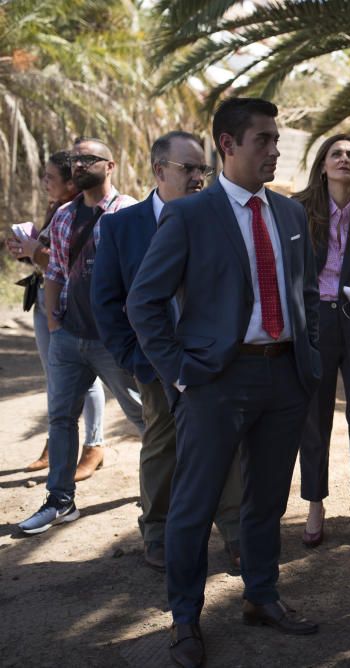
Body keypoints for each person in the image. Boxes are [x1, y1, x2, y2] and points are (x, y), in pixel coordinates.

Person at [127, 98, 322, 667]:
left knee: (267, 500)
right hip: (215, 380)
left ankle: (262, 596)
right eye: (263, 139)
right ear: (228, 145)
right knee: (194, 504)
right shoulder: (190, 214)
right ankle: (185, 619)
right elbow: (145, 301)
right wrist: (181, 373)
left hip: (284, 376)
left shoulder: (288, 214)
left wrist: (305, 357)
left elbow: (305, 290)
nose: (275, 149)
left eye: (277, 138)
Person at [91, 131, 243, 573]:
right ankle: (156, 532)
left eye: (203, 169)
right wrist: (135, 360)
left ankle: (234, 530)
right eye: (188, 169)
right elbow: (107, 300)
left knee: (226, 443)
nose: (199, 177)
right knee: (162, 444)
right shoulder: (122, 225)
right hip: (156, 363)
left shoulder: (219, 218)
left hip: (213, 360)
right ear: (160, 171)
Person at [16, 138, 144, 536]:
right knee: (60, 419)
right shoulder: (66, 213)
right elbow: (54, 270)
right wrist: (55, 326)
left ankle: (168, 492)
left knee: (147, 417)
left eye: (87, 158)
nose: (78, 164)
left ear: (110, 165)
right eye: (74, 159)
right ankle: (60, 500)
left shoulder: (130, 212)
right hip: (70, 337)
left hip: (114, 340)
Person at [293, 134, 350, 547]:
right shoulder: (296, 210)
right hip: (314, 323)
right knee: (313, 417)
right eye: (337, 153)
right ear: (323, 163)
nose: (344, 159)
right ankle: (315, 504)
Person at [6, 151, 106, 476]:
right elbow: (49, 256)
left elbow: (70, 267)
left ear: (70, 183)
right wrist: (29, 250)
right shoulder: (60, 211)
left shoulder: (87, 214)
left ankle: (94, 445)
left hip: (69, 307)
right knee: (56, 378)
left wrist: (37, 252)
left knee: (85, 379)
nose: (45, 182)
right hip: (45, 300)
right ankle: (57, 443)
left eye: (50, 177)